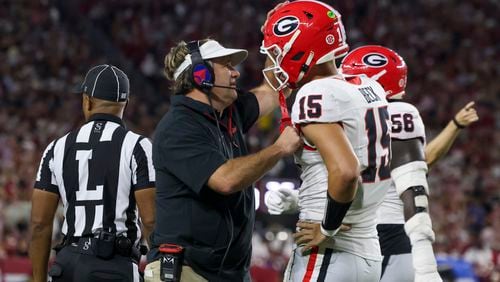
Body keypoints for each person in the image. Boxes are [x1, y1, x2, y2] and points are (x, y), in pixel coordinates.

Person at [144, 39, 301, 282]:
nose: (236, 72)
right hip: (187, 270)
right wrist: (279, 148)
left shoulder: (227, 114)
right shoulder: (178, 126)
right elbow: (225, 179)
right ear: (200, 75)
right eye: (226, 66)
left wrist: (274, 39)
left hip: (229, 273)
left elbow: (272, 89)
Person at [261, 1, 392, 281]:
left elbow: (346, 171)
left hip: (331, 252)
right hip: (368, 251)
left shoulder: (316, 93)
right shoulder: (369, 87)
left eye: (275, 51)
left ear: (300, 48)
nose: (273, 59)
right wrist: (300, 199)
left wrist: (327, 227)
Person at [340, 45, 478, 282]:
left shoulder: (395, 112)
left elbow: (415, 170)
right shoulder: (354, 117)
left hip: (381, 232)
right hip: (372, 234)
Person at [30, 64, 156, 282]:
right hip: (116, 265)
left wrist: (39, 279)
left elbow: (39, 224)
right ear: (125, 103)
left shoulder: (56, 147)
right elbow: (152, 220)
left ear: (86, 100)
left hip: (67, 264)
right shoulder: (137, 145)